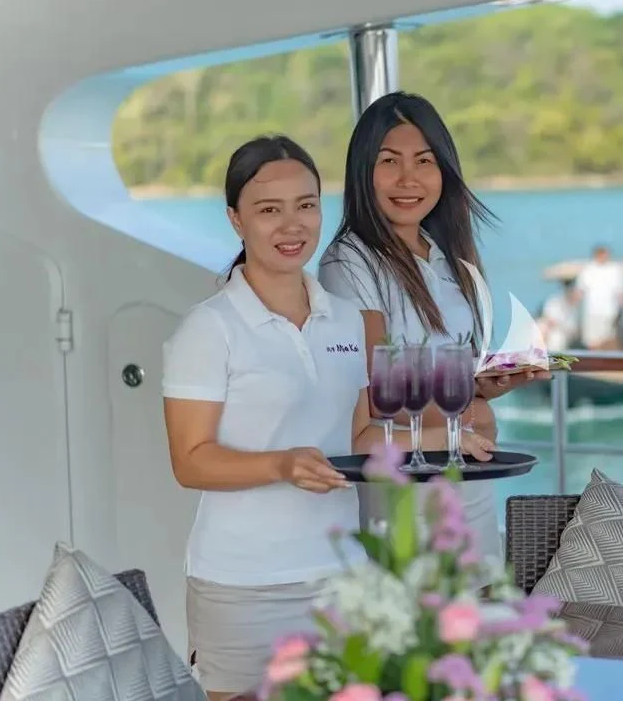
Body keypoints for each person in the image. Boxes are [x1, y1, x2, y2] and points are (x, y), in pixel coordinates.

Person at [161, 135, 435, 700]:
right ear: (236, 220)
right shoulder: (209, 328)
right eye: (269, 209)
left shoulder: (347, 321)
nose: (292, 225)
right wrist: (282, 465)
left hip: (340, 573)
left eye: (306, 205)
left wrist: (442, 438)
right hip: (243, 585)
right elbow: (190, 462)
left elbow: (358, 436)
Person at [318, 91, 546, 585]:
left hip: (469, 486)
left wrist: (487, 386)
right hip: (405, 498)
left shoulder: (445, 254)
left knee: (477, 642)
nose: (408, 179)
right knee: (415, 647)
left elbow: (447, 370)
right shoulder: (349, 263)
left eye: (424, 161)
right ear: (363, 171)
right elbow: (381, 390)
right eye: (389, 162)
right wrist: (469, 405)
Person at [574, 244, 623, 349]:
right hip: (592, 311)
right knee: (591, 340)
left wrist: (622, 309)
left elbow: (621, 291)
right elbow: (580, 290)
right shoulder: (588, 269)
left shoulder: (614, 270)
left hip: (609, 311)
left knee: (607, 338)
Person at [537, 278, 581, 351]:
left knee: (557, 338)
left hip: (565, 335)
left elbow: (574, 330)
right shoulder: (555, 301)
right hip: (555, 331)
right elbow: (549, 319)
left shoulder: (577, 308)